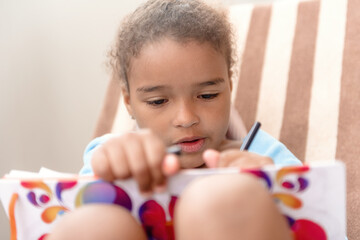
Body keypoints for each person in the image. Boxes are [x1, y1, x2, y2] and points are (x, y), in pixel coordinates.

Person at [47, 0, 301, 239]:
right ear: (128, 102)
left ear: (229, 87)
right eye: (158, 101)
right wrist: (107, 180)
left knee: (228, 199)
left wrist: (273, 190)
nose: (186, 118)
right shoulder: (112, 157)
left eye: (207, 95)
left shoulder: (267, 158)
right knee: (92, 224)